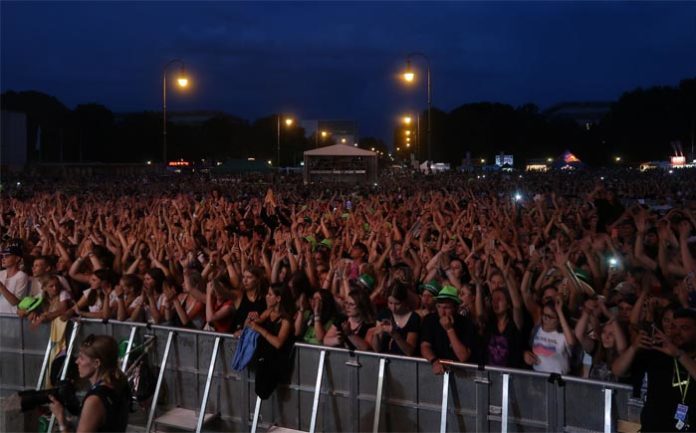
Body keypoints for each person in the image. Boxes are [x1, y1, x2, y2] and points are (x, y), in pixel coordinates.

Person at [613, 308, 696, 432]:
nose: (677, 332)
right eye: (674, 327)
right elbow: (617, 370)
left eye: (684, 328)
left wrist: (680, 355)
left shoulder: (683, 357)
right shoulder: (656, 353)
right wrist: (633, 348)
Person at [49, 334, 131, 433]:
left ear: (96, 363)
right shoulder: (119, 385)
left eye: (82, 358)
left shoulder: (95, 400)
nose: (77, 362)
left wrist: (61, 421)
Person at [421, 286, 477, 375]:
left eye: (447, 308)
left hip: (462, 375)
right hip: (436, 372)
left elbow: (463, 356)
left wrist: (449, 329)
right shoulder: (430, 320)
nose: (442, 312)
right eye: (439, 307)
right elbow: (425, 346)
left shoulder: (467, 324)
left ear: (456, 308)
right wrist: (434, 361)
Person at [0, 245, 29, 314]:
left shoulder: (22, 276)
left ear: (17, 259)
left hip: (11, 316)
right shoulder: (1, 273)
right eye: (2, 256)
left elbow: (15, 302)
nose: (3, 259)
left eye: (7, 256)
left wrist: (1, 286)